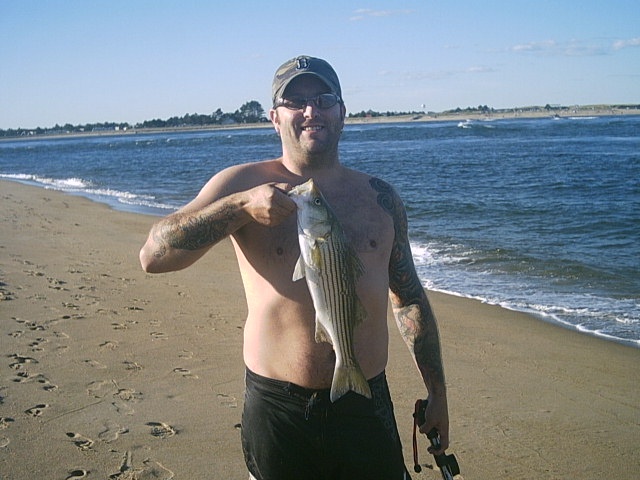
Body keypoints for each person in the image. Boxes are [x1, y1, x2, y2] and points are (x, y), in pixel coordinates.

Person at [139, 55, 449, 480]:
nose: (311, 111)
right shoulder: (239, 183)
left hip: (365, 401)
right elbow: (154, 255)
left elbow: (409, 298)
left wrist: (437, 393)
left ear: (342, 113)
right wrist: (240, 206)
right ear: (274, 116)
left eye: (324, 99)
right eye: (295, 100)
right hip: (278, 409)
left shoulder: (380, 198)